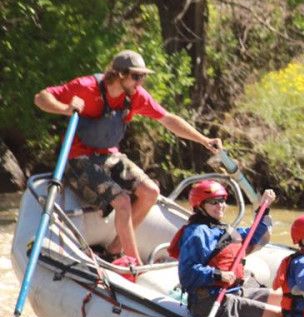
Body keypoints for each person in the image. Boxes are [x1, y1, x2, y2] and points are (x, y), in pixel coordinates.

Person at [34, 49, 223, 265]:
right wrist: (65, 108)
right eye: (136, 76)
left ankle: (114, 251)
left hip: (108, 155)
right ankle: (135, 266)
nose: (140, 82)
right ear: (119, 74)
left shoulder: (135, 97)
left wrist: (203, 140)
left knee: (151, 192)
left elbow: (168, 119)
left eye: (143, 77)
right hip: (79, 159)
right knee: (122, 201)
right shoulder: (86, 87)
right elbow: (41, 97)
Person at [168, 180, 281, 317]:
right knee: (277, 315)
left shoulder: (222, 230)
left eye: (222, 201)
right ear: (200, 205)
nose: (220, 205)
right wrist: (218, 275)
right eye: (214, 202)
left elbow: (255, 235)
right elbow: (187, 274)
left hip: (231, 292)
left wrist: (264, 209)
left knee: (285, 299)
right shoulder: (197, 233)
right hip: (208, 301)